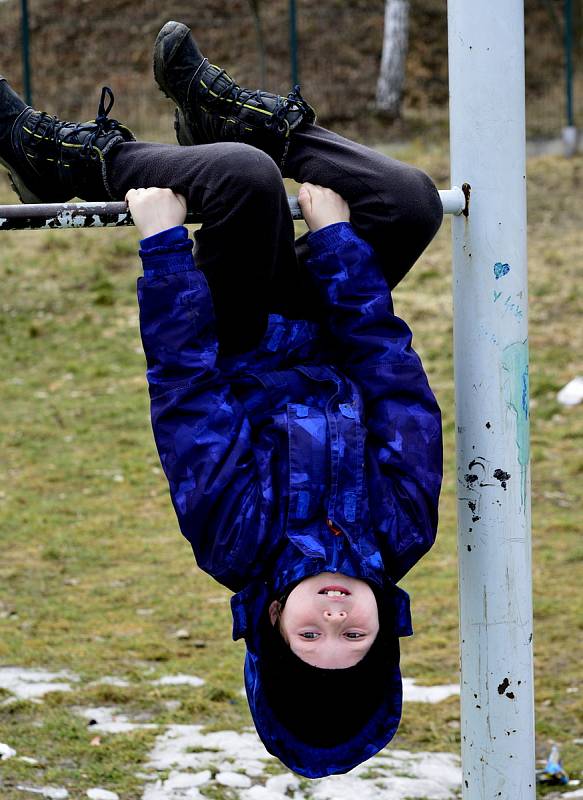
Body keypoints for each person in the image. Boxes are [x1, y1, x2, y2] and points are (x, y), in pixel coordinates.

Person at [0, 20, 443, 778]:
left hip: (231, 345)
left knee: (239, 183)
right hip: (325, 333)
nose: (333, 620)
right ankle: (232, 118)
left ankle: (64, 158)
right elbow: (394, 381)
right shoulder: (402, 531)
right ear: (385, 630)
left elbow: (186, 394)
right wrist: (338, 249)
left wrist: (164, 249)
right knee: (405, 204)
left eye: (311, 640)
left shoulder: (236, 542)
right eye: (353, 640)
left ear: (271, 625)